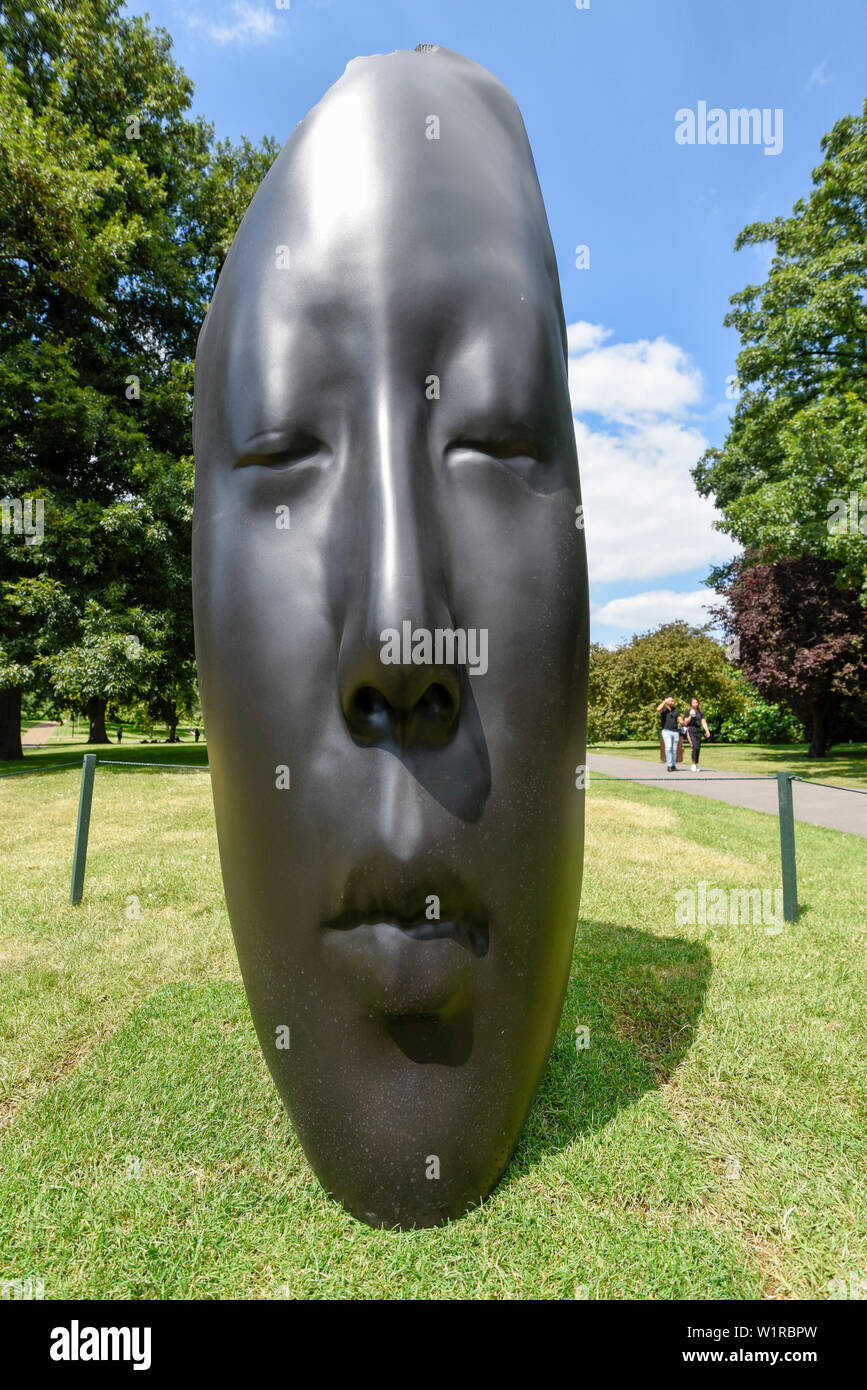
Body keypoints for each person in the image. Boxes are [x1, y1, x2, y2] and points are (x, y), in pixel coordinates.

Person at [682, 697, 710, 771]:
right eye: (694, 702)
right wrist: (690, 716)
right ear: (691, 703)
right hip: (690, 730)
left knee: (697, 747)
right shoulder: (688, 711)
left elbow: (703, 722)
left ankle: (695, 763)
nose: (695, 704)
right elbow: (685, 722)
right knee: (694, 746)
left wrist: (707, 730)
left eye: (696, 702)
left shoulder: (700, 712)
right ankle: (693, 764)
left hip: (698, 731)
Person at [656, 695, 683, 771]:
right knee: (668, 748)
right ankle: (669, 765)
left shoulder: (675, 710)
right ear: (666, 700)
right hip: (666, 731)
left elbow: (679, 718)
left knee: (674, 750)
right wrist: (664, 702)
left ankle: (673, 765)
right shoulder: (663, 709)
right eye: (671, 700)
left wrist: (682, 722)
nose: (673, 702)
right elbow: (658, 709)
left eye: (673, 701)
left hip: (675, 732)